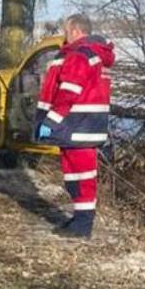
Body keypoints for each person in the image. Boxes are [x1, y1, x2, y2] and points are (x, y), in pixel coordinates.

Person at [33, 13, 115, 239]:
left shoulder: (79, 54)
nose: (64, 36)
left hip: (76, 125)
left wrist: (50, 120)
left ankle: (83, 225)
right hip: (85, 126)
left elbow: (69, 91)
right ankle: (81, 218)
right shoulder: (96, 55)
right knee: (78, 175)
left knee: (81, 175)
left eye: (66, 31)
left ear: (76, 31)